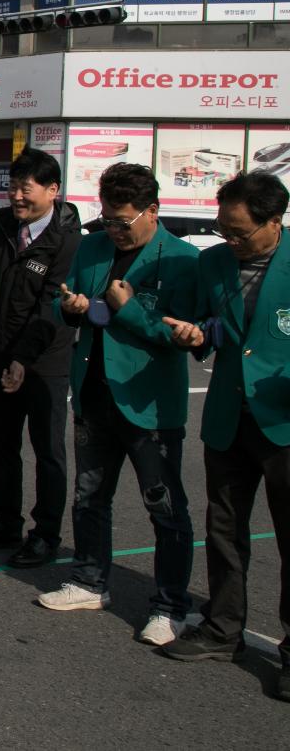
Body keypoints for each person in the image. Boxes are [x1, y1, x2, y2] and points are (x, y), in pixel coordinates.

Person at [36, 163, 198, 647]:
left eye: (121, 222)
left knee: (165, 507)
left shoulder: (183, 259)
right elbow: (61, 300)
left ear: (152, 211)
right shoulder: (92, 247)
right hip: (94, 394)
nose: (112, 230)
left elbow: (181, 336)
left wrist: (128, 311)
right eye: (105, 218)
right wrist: (69, 308)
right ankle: (88, 581)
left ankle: (171, 606)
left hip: (148, 403)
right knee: (89, 497)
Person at [159, 172, 289, 703]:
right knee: (224, 530)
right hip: (228, 417)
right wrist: (196, 333)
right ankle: (222, 629)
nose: (228, 240)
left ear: (273, 222)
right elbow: (212, 324)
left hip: (284, 421)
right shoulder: (213, 262)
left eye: (238, 232)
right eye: (222, 229)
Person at [0, 147, 81, 568]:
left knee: (47, 451)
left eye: (26, 189)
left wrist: (23, 360)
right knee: (3, 445)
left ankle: (45, 534)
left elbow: (50, 308)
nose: (17, 197)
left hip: (44, 361)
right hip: (0, 350)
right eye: (13, 188)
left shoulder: (67, 240)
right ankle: (5, 521)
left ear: (52, 190)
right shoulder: (4, 223)